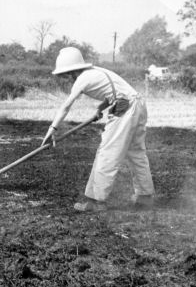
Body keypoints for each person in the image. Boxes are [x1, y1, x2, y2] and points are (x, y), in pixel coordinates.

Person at [42, 46, 155, 212]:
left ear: (72, 71)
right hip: (137, 104)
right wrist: (100, 109)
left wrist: (53, 128)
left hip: (125, 108)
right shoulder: (96, 71)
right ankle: (145, 197)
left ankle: (96, 201)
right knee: (136, 153)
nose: (66, 79)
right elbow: (114, 91)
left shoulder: (82, 78)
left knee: (107, 152)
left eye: (65, 75)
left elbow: (66, 106)